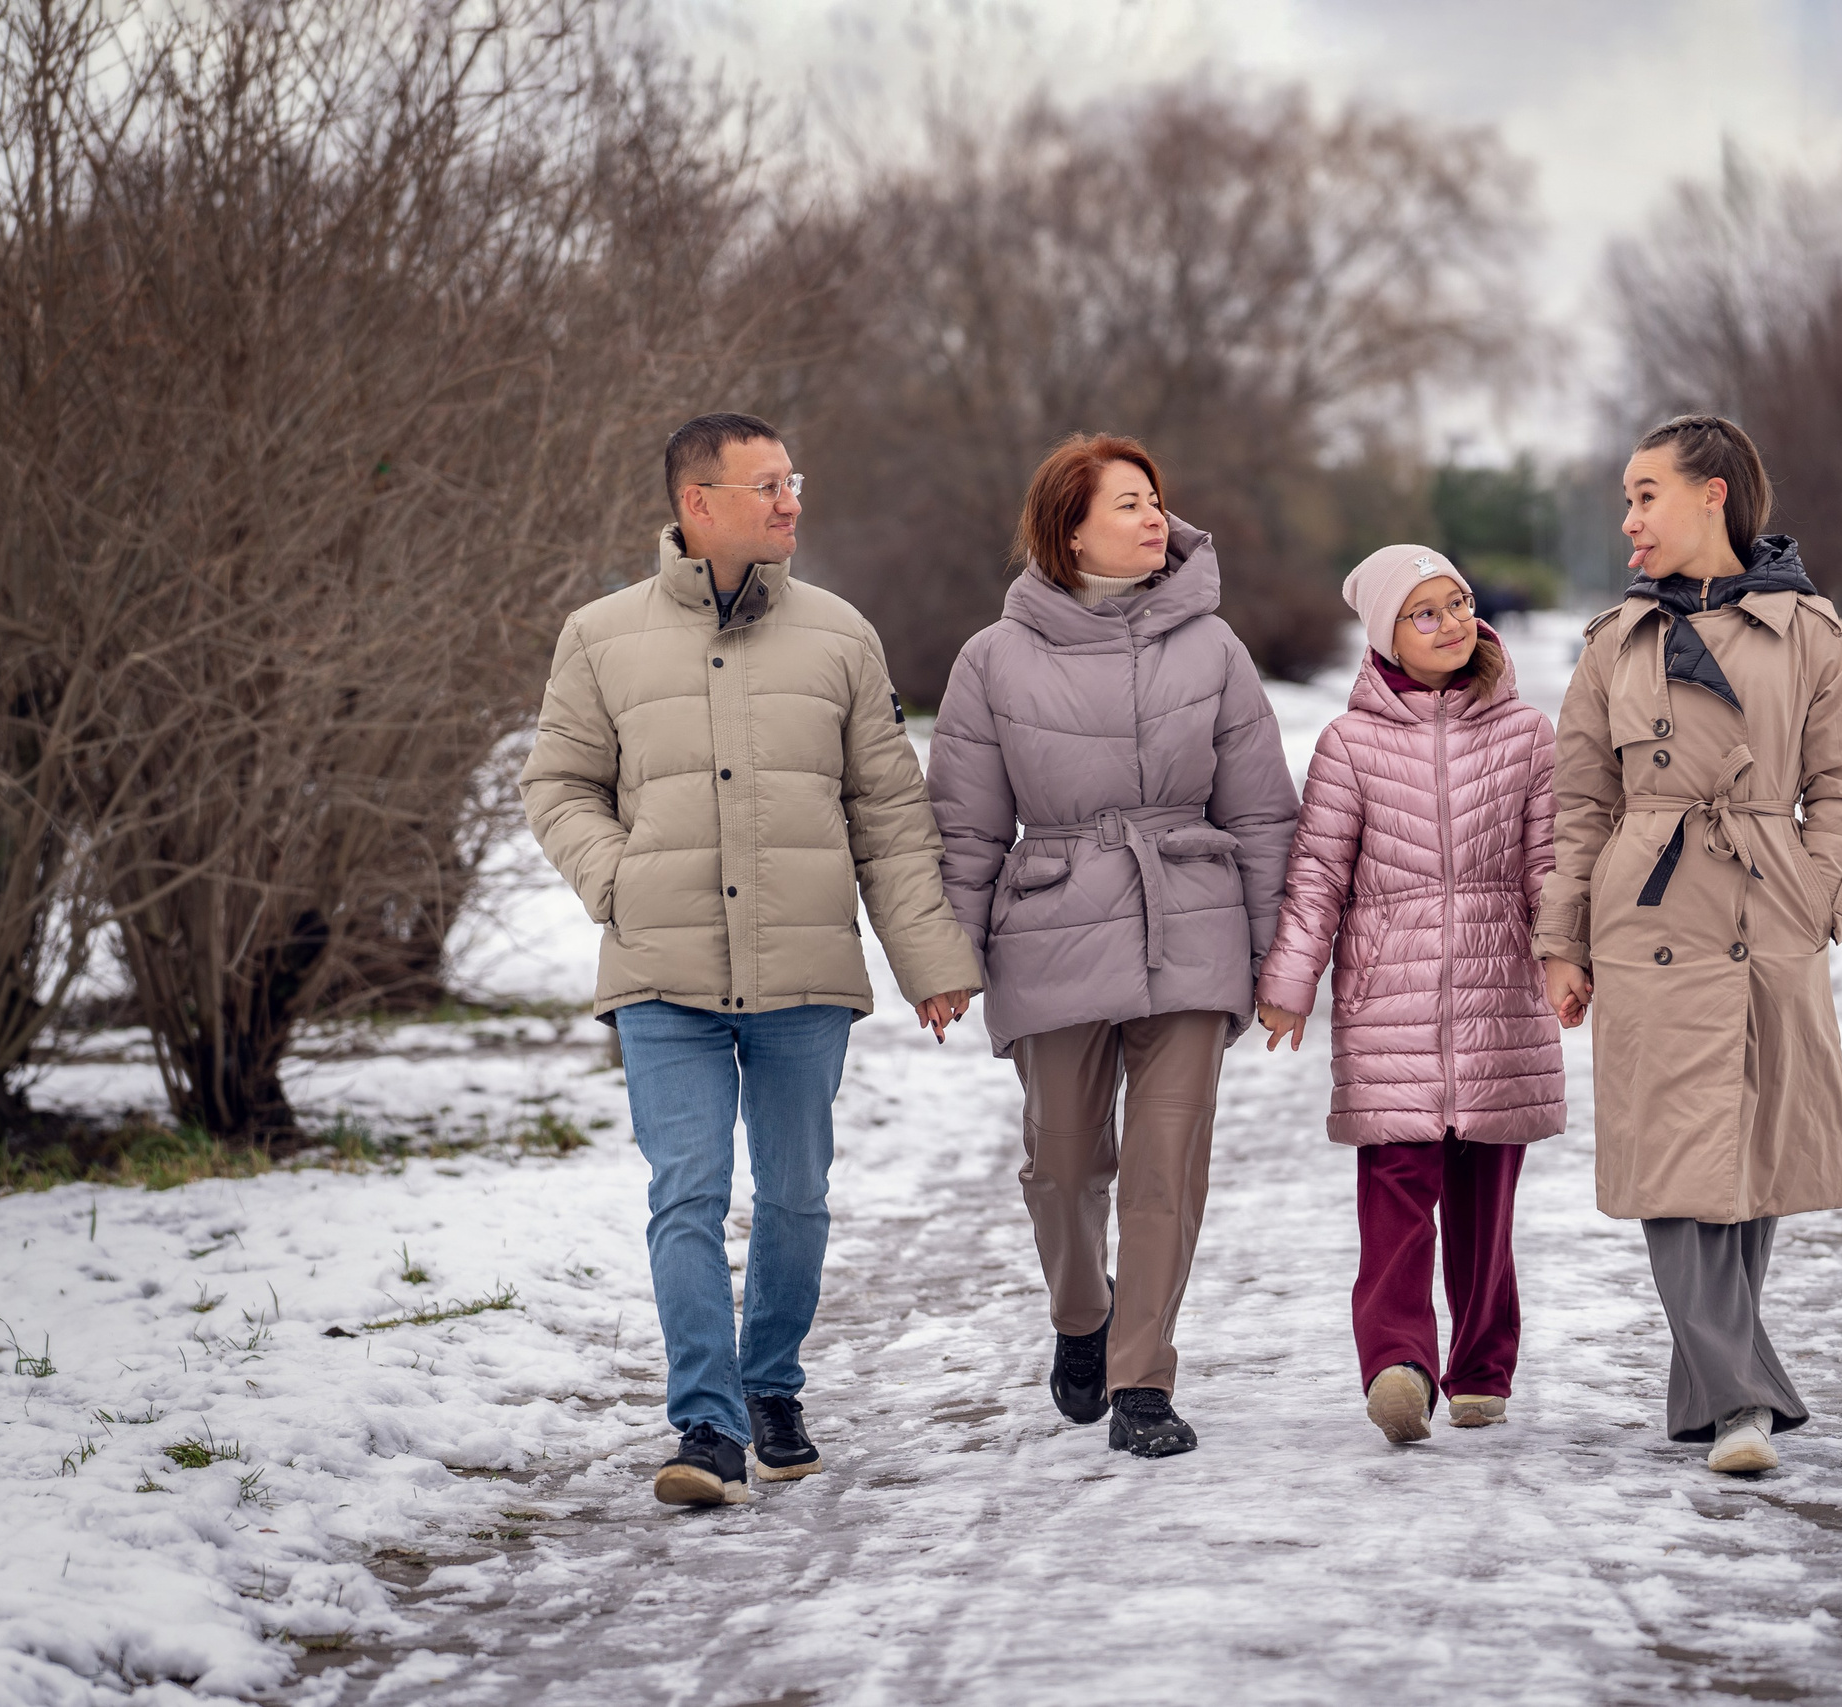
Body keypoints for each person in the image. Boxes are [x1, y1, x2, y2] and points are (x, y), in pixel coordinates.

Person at [520, 412, 980, 1507]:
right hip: (661, 969)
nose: (790, 502)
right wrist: (618, 880)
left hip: (802, 970)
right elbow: (557, 784)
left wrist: (928, 958)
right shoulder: (600, 635)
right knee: (687, 1192)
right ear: (698, 504)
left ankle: (770, 1383)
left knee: (794, 1197)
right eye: (768, 484)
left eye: (794, 481)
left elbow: (888, 811)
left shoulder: (841, 637)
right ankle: (706, 1426)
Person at [927, 433, 1298, 1460]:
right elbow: (963, 828)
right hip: (1048, 924)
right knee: (1060, 1164)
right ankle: (1080, 1316)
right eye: (1128, 503)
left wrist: (1279, 965)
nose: (1154, 519)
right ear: (1069, 526)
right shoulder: (990, 659)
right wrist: (948, 958)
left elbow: (1266, 816)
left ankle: (1142, 1379)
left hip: (1192, 919)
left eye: (1156, 501)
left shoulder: (1213, 647)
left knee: (1165, 1166)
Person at [1532, 414, 1842, 1475]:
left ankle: (1707, 1401)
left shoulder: (1809, 633)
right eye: (1628, 498)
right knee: (1673, 1159)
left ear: (1712, 494)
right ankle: (1741, 1399)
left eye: (1645, 494)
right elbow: (1578, 804)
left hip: (1763, 911)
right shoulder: (1612, 645)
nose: (1628, 517)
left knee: (1748, 1162)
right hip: (1650, 919)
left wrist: (1818, 887)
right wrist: (1563, 940)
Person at [1252, 546, 1563, 1445]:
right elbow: (1317, 877)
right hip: (1391, 1005)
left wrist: (1568, 961)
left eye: (1459, 601)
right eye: (1424, 612)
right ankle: (1396, 1364)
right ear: (1387, 633)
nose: (1452, 622)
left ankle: (1480, 1368)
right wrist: (1289, 982)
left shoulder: (1526, 736)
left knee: (1486, 1203)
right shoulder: (1349, 746)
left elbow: (1548, 868)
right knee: (1395, 1191)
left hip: (1499, 998)